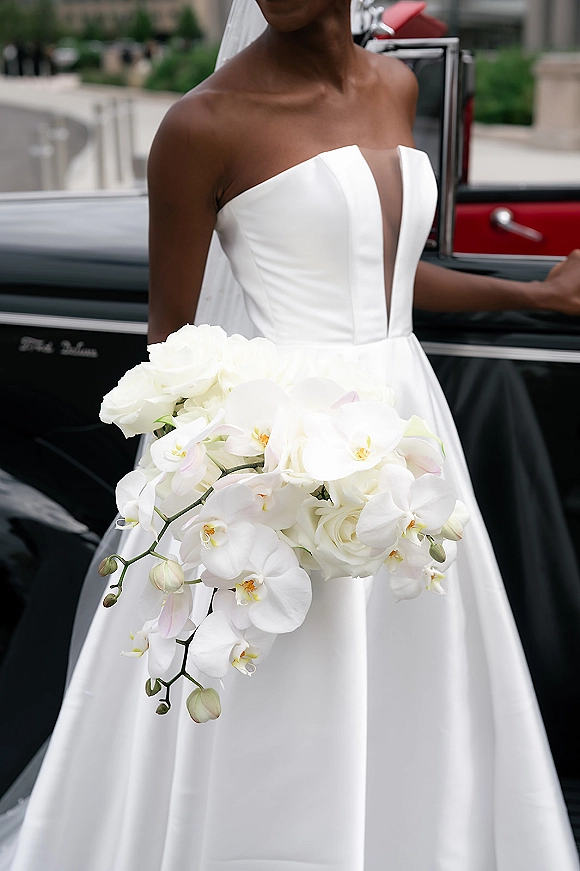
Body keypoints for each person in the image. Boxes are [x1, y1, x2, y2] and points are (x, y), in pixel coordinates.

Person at [3, 1, 580, 869]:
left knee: (409, 657)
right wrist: (242, 466)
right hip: (274, 452)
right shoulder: (202, 123)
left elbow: (383, 271)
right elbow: (174, 342)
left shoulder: (392, 83)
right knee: (286, 670)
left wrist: (534, 296)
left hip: (405, 419)